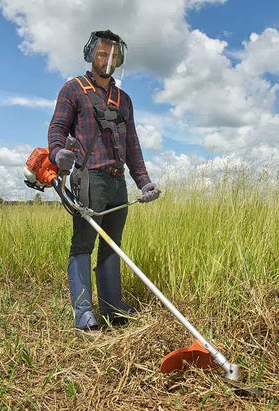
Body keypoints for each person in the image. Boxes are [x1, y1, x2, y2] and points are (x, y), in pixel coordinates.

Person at [48, 30, 160, 331]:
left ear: (119, 60)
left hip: (116, 181)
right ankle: (83, 313)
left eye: (113, 55)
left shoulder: (124, 99)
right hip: (88, 179)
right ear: (91, 55)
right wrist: (58, 154)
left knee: (113, 244)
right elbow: (57, 128)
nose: (107, 59)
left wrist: (143, 181)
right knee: (83, 243)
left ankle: (112, 307)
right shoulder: (73, 89)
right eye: (102, 53)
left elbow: (132, 144)